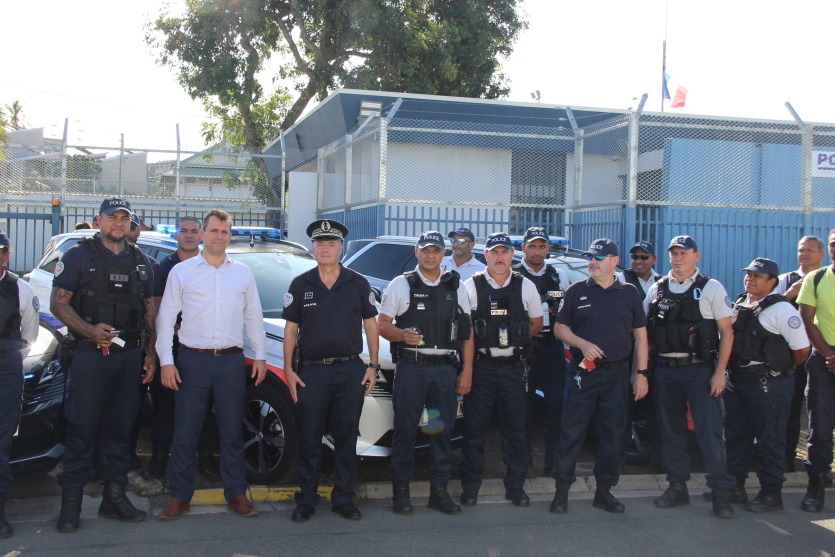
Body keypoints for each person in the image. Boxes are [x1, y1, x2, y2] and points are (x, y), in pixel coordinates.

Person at [50, 197, 156, 532]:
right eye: (113, 217)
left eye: (125, 218)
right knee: (82, 428)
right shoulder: (77, 256)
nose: (119, 223)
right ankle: (71, 505)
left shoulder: (141, 262)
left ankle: (114, 499)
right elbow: (58, 305)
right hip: (89, 357)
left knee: (120, 430)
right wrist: (90, 330)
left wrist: (150, 354)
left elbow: (149, 313)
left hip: (129, 357)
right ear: (99, 220)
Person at [156, 209, 266, 521]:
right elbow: (166, 318)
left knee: (231, 430)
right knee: (186, 431)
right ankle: (179, 497)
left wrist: (259, 355)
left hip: (231, 361)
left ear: (230, 236)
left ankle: (236, 494)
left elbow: (253, 316)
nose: (219, 236)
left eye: (224, 231)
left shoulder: (242, 273)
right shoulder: (182, 272)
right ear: (203, 234)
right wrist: (166, 361)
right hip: (192, 360)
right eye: (214, 230)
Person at [283, 219, 380, 522]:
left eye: (331, 244)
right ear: (312, 248)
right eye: (320, 243)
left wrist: (373, 365)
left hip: (350, 370)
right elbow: (290, 330)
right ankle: (306, 499)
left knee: (346, 438)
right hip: (312, 373)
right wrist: (288, 369)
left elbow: (371, 325)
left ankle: (344, 498)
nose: (325, 249)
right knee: (309, 437)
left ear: (341, 248)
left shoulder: (358, 283)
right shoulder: (301, 284)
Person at [550, 238, 648, 515]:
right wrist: (582, 344)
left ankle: (604, 491)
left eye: (598, 257)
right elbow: (560, 328)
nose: (592, 262)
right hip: (584, 373)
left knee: (613, 435)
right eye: (590, 257)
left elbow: (641, 336)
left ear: (614, 261)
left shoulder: (629, 293)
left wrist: (641, 373)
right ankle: (561, 492)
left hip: (617, 374)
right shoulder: (577, 290)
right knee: (572, 432)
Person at [378, 231, 473, 516]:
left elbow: (467, 333)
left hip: (444, 369)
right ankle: (401, 492)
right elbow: (382, 324)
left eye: (436, 250)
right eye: (426, 249)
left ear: (444, 253)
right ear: (416, 251)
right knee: (405, 429)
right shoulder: (401, 284)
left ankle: (439, 492)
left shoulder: (456, 286)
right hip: (412, 368)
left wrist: (467, 370)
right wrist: (401, 334)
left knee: (442, 432)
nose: (430, 255)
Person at [644, 235, 736, 518]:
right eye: (674, 253)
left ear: (696, 256)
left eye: (684, 253)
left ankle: (720, 492)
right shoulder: (657, 288)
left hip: (700, 370)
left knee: (710, 433)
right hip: (665, 370)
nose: (678, 258)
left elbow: (727, 333)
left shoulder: (711, 287)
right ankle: (677, 487)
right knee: (671, 431)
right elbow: (644, 330)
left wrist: (720, 372)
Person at [460, 232, 542, 507]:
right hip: (481, 367)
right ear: (485, 255)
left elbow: (537, 324)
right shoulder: (471, 286)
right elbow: (466, 330)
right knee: (475, 429)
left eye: (504, 252)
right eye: (494, 252)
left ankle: (515, 486)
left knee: (515, 429)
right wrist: (468, 369)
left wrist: (513, 341)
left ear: (512, 255)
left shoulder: (525, 286)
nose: (499, 257)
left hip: (513, 368)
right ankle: (471, 486)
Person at [723, 258, 810, 512]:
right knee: (736, 436)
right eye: (748, 274)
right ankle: (734, 486)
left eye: (757, 276)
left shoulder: (782, 310)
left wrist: (779, 369)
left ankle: (771, 493)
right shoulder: (741, 303)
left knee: (769, 440)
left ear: (772, 282)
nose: (750, 278)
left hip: (767, 383)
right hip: (737, 380)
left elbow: (801, 350)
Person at [140, 216, 220, 482]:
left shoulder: (212, 265)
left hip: (203, 350)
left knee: (204, 409)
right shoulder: (163, 267)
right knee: (165, 407)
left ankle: (206, 461)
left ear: (201, 235)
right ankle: (158, 462)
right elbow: (157, 311)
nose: (188, 235)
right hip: (171, 348)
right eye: (183, 231)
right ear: (175, 235)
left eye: (194, 231)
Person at [510, 226, 568, 476]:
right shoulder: (512, 275)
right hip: (523, 350)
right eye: (532, 246)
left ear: (548, 249)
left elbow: (567, 311)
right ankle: (524, 462)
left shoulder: (559, 276)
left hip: (552, 348)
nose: (537, 251)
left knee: (557, 406)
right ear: (523, 248)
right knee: (523, 408)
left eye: (541, 246)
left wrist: (558, 311)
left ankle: (553, 462)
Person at [0, 230, 40, 539]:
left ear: (7, 254)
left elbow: (29, 335)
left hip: (5, 368)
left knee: (1, 440)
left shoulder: (20, 289)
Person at [773, 236, 825, 471]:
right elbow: (770, 309)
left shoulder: (826, 279)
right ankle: (787, 458)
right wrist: (791, 293)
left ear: (822, 255)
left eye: (810, 250)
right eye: (801, 250)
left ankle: (820, 464)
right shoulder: (787, 280)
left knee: (821, 410)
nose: (804, 254)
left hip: (822, 353)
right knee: (790, 406)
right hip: (794, 355)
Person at [797, 228, 835, 512]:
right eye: (833, 243)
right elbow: (807, 320)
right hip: (824, 361)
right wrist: (829, 354)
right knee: (820, 429)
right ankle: (816, 487)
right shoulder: (816, 278)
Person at [616, 241, 663, 472]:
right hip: (628, 354)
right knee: (624, 408)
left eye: (644, 257)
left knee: (657, 409)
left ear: (654, 259)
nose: (638, 261)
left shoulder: (663, 283)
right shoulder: (620, 280)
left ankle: (657, 459)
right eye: (635, 256)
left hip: (657, 355)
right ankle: (621, 459)